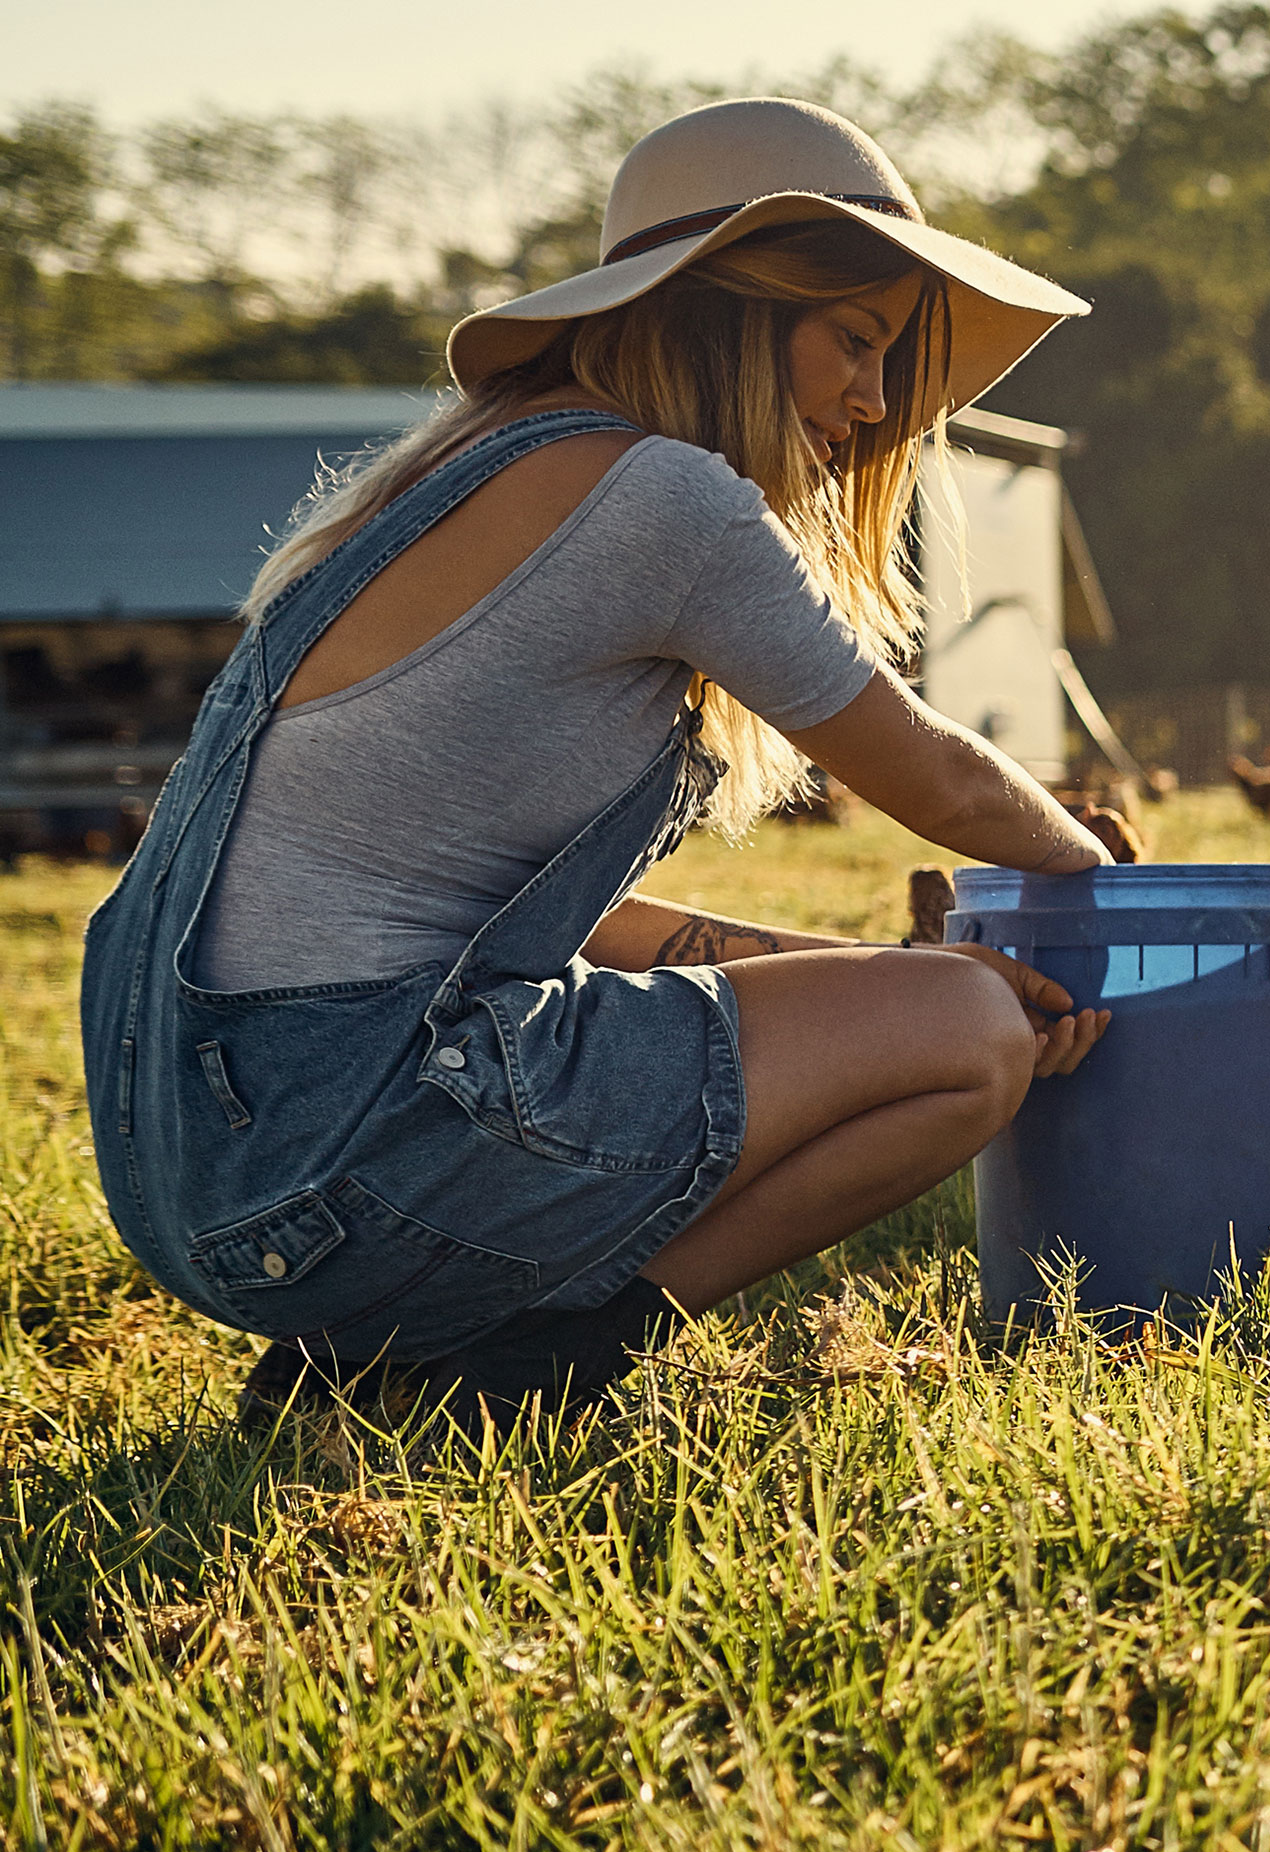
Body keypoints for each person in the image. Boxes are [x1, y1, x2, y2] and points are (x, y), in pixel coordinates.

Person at [79, 97, 1115, 1429]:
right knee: (971, 1041)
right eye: (856, 341)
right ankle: (542, 1360)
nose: (875, 403)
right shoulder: (659, 497)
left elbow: (554, 921)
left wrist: (876, 982)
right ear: (733, 310)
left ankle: (388, 1350)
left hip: (200, 1174)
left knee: (937, 1007)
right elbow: (941, 782)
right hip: (342, 1148)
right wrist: (1093, 876)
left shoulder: (449, 488)